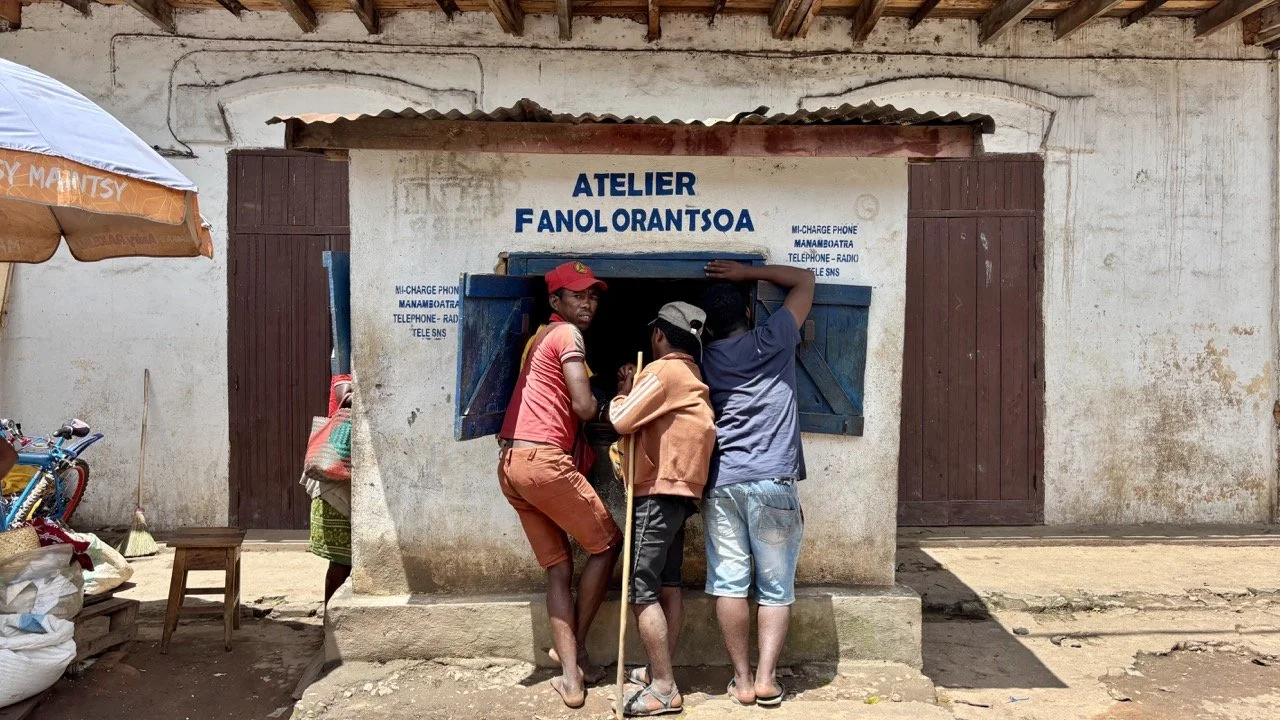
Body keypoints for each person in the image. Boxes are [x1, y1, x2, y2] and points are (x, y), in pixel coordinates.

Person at [497, 261, 622, 709]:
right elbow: (584, 407)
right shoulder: (568, 335)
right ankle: (580, 649)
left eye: (592, 296)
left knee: (559, 567)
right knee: (607, 544)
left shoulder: (538, 339)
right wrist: (618, 401)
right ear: (556, 302)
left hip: (512, 464)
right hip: (542, 462)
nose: (586, 303)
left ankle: (572, 676)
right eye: (577, 295)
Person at [697, 260, 815, 707]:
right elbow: (805, 281)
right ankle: (767, 679)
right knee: (775, 587)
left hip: (724, 482)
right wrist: (746, 274)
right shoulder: (775, 337)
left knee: (728, 582)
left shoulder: (704, 361)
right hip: (773, 482)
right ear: (749, 316)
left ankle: (742, 681)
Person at [609, 302, 717, 717]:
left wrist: (624, 390)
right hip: (682, 493)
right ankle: (660, 669)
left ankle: (664, 687)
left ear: (658, 335)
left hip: (657, 492)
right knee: (669, 585)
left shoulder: (664, 370)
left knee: (640, 589)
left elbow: (621, 420)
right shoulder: (693, 374)